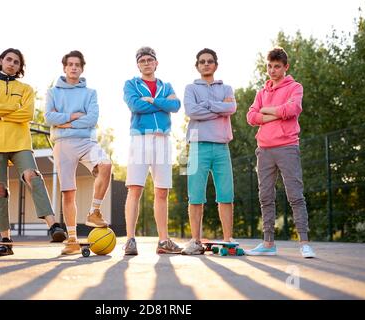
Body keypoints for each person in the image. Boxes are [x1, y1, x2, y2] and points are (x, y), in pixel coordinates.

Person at [0, 48, 67, 255]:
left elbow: (27, 113)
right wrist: (10, 111)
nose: (11, 63)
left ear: (20, 67)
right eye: (8, 59)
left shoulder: (26, 88)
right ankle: (6, 240)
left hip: (20, 142)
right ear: (0, 61)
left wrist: (1, 114)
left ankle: (54, 226)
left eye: (16, 62)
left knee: (33, 176)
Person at [245, 47, 316, 258]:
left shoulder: (295, 87)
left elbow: (292, 109)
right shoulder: (262, 92)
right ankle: (268, 244)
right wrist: (276, 113)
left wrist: (265, 111)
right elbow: (250, 117)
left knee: (295, 195)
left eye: (277, 66)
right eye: (269, 66)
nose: (273, 70)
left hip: (287, 146)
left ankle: (304, 242)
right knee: (265, 196)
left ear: (286, 67)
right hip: (264, 149)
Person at [45, 50, 112, 255]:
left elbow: (92, 119)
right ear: (64, 67)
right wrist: (74, 116)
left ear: (82, 68)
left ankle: (94, 212)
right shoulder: (53, 92)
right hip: (62, 145)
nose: (74, 67)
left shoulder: (90, 93)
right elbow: (49, 117)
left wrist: (64, 122)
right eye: (70, 64)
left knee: (106, 164)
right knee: (68, 191)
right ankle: (72, 240)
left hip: (86, 141)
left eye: (77, 64)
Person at [122, 46, 182, 255]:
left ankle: (163, 241)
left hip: (163, 140)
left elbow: (176, 106)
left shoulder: (166, 85)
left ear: (156, 63)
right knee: (135, 189)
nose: (147, 63)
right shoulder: (131, 84)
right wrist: (162, 105)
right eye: (143, 60)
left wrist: (154, 100)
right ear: (138, 64)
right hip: (140, 138)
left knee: (162, 191)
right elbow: (135, 106)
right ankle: (130, 239)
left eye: (150, 60)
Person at [181, 48, 237, 255]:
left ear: (216, 65)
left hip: (222, 147)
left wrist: (207, 105)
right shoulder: (190, 88)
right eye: (202, 61)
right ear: (197, 66)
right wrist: (218, 108)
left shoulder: (227, 88)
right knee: (195, 196)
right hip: (196, 147)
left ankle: (227, 239)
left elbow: (231, 109)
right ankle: (195, 241)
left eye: (210, 61)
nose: (206, 64)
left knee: (226, 195)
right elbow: (191, 111)